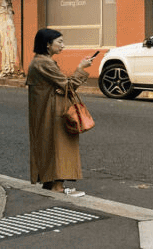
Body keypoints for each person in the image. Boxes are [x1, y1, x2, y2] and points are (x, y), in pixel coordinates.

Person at [26, 28, 99, 195]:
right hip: (53, 112)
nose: (63, 45)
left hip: (47, 111)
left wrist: (62, 87)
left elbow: (61, 86)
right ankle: (57, 187)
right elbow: (68, 86)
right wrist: (81, 68)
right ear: (47, 44)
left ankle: (50, 184)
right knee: (60, 147)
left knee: (50, 146)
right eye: (59, 42)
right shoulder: (44, 63)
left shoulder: (40, 61)